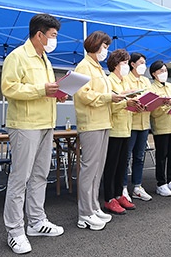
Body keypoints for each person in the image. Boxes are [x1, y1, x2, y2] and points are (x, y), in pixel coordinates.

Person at [1, 13, 66, 254]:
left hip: (46, 123)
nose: (55, 40)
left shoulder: (45, 60)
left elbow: (43, 91)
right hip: (25, 124)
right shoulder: (18, 56)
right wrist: (42, 89)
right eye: (53, 35)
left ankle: (37, 221)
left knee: (40, 174)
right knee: (20, 178)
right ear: (39, 35)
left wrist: (57, 94)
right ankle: (15, 230)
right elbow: (8, 88)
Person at [73, 31, 126, 230]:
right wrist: (109, 97)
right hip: (91, 122)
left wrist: (117, 96)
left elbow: (101, 94)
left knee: (98, 169)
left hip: (103, 121)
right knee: (89, 169)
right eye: (104, 46)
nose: (106, 50)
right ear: (95, 45)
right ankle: (84, 213)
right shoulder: (84, 66)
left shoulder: (97, 68)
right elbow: (84, 95)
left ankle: (93, 207)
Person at [102, 49, 140, 214]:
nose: (126, 66)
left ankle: (119, 194)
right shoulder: (109, 81)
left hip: (126, 128)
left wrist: (137, 105)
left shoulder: (126, 82)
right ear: (115, 64)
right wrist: (126, 103)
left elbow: (128, 103)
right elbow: (109, 106)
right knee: (111, 165)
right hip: (113, 129)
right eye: (124, 63)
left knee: (122, 164)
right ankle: (109, 198)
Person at [148, 61, 171, 197]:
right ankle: (161, 183)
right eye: (160, 71)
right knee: (161, 155)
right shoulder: (151, 89)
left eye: (165, 70)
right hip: (161, 126)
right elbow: (152, 112)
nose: (164, 73)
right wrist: (165, 104)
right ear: (153, 74)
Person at [123, 52, 153, 202]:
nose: (143, 66)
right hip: (130, 123)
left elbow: (152, 97)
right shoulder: (125, 79)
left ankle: (137, 187)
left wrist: (150, 105)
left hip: (144, 123)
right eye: (141, 63)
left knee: (140, 157)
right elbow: (124, 100)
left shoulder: (146, 81)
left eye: (144, 63)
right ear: (132, 64)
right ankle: (122, 188)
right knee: (126, 157)